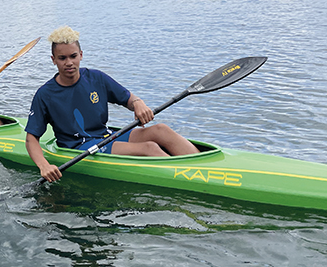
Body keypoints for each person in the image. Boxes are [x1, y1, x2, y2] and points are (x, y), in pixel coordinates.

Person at [26, 26, 201, 182]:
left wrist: (138, 103)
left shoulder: (97, 78)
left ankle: (205, 166)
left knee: (160, 130)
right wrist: (44, 166)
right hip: (79, 146)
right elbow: (31, 138)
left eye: (73, 56)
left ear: (81, 55)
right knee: (149, 148)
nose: (69, 62)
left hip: (105, 136)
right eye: (62, 58)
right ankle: (192, 181)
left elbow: (130, 99)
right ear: (53, 59)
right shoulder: (45, 94)